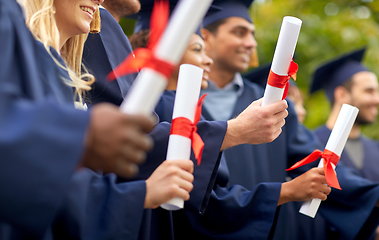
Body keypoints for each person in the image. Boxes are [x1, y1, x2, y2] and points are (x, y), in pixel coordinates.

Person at [0, 0, 195, 239]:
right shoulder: (20, 50)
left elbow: (60, 186)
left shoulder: (63, 72)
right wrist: (83, 132)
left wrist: (139, 195)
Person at [196, 0, 379, 239]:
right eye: (239, 32)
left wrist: (371, 195)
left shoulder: (276, 106)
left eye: (252, 34)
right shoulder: (179, 103)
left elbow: (317, 162)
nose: (251, 43)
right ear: (205, 36)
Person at [310, 48, 379, 239]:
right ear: (342, 94)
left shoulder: (376, 148)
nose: (377, 100)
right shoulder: (311, 146)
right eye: (369, 91)